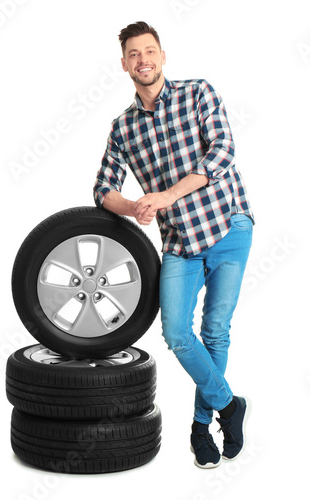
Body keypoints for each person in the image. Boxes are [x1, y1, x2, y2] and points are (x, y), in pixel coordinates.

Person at [93, 21, 254, 469]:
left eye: (149, 51)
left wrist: (165, 196)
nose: (143, 60)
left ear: (163, 56)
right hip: (180, 240)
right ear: (124, 64)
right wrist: (134, 207)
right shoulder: (123, 127)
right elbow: (103, 188)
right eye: (133, 54)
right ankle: (229, 405)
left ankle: (202, 426)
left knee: (215, 331)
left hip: (228, 226)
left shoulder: (198, 92)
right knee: (177, 333)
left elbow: (221, 152)